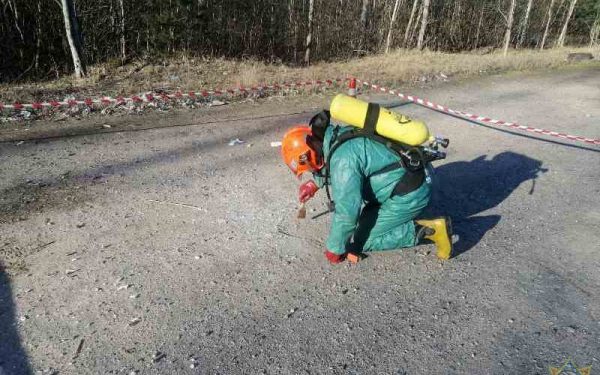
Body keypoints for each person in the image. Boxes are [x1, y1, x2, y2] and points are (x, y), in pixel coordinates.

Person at [281, 110, 452, 265]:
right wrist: (314, 184)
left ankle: (430, 230)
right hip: (413, 174)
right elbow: (340, 166)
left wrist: (334, 248)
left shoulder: (342, 160)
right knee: (358, 229)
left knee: (362, 241)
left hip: (410, 193)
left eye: (309, 167)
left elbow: (347, 212)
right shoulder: (337, 137)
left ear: (310, 155)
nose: (311, 171)